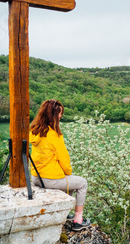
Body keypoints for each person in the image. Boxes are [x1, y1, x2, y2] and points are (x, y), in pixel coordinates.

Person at [29, 99, 90, 231]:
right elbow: (65, 162)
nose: (61, 116)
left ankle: (65, 213)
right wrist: (67, 173)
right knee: (82, 183)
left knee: (69, 182)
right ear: (53, 116)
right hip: (50, 179)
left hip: (36, 177)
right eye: (59, 114)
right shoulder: (53, 135)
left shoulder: (35, 132)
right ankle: (78, 221)